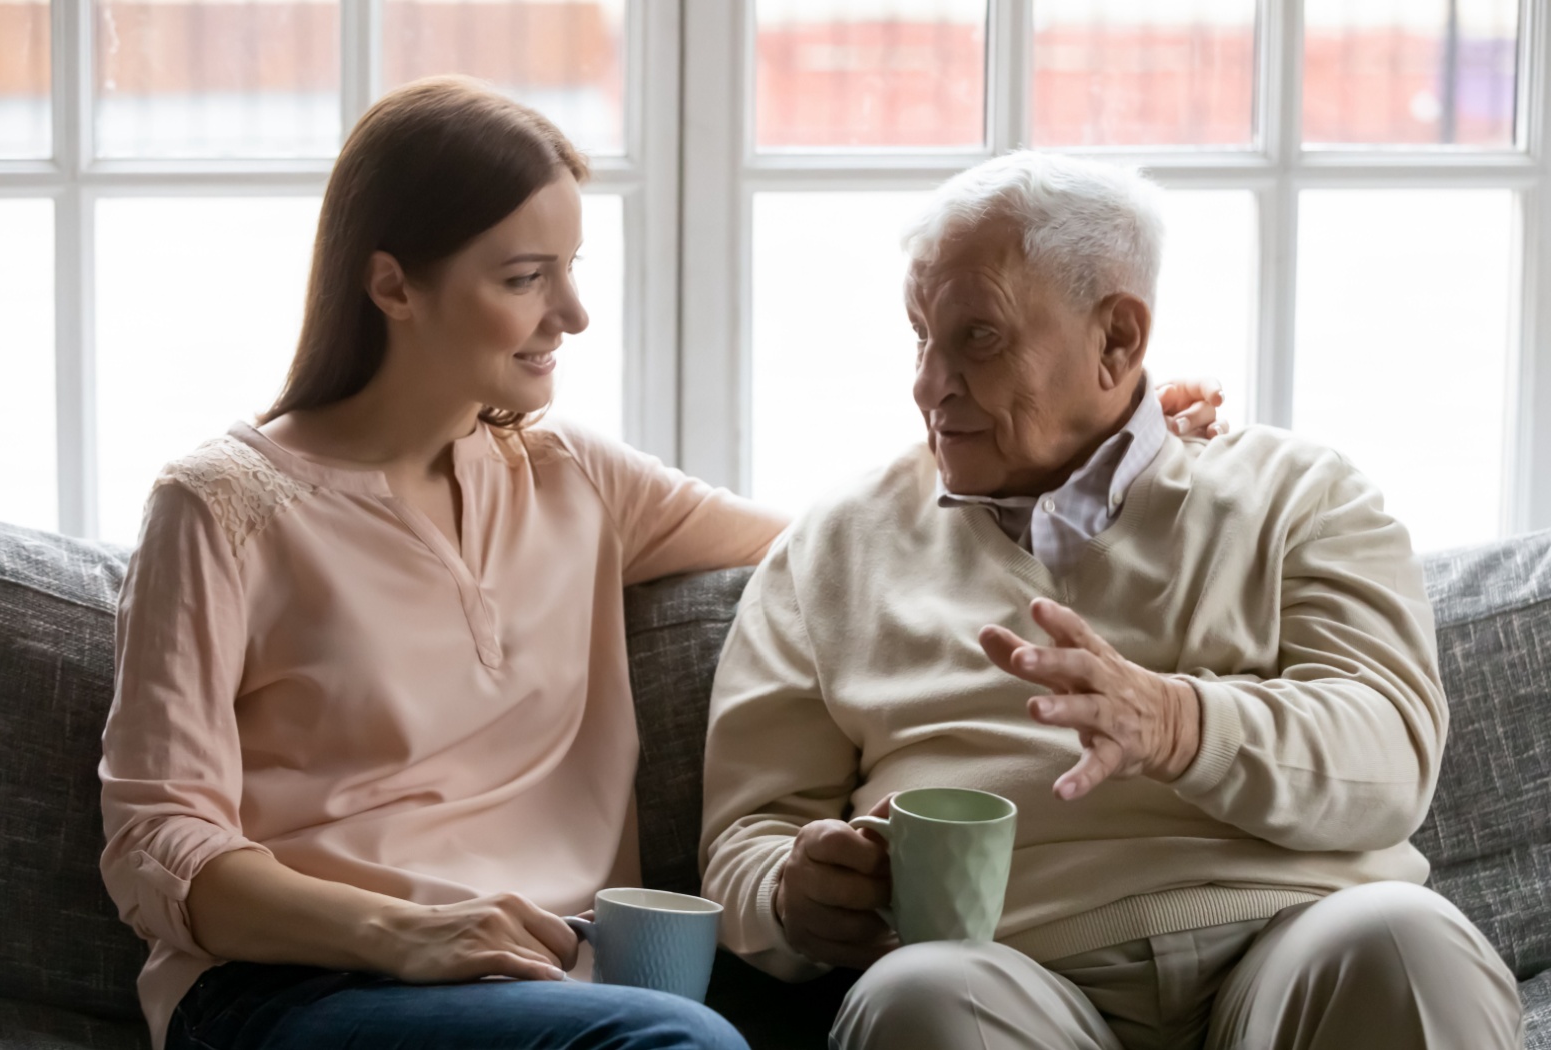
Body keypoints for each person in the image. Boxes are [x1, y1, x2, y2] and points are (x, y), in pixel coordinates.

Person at [98, 78, 1228, 1050]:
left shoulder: (573, 477)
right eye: (526, 277)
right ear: (393, 286)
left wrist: (1099, 430)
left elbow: (845, 544)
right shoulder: (219, 508)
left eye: (572, 269)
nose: (574, 315)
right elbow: (158, 843)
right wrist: (404, 932)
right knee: (666, 1040)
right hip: (305, 991)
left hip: (564, 979)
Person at [698, 150, 1525, 1050]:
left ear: (1118, 339)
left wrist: (1178, 723)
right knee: (922, 996)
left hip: (1298, 947)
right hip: (1006, 979)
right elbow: (748, 835)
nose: (929, 383)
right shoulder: (833, 546)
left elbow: (1391, 756)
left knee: (1406, 941)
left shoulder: (1302, 494)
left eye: (977, 337)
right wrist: (793, 894)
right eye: (920, 336)